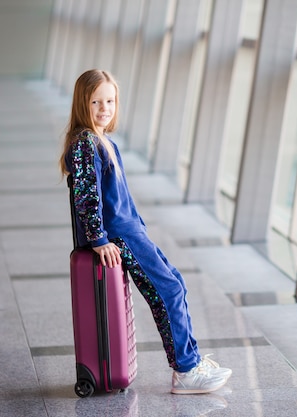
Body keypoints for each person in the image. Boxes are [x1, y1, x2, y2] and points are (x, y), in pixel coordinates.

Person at [59, 69, 231, 394]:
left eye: (109, 100)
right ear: (82, 104)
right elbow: (87, 195)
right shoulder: (86, 144)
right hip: (120, 237)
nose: (104, 108)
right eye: (95, 102)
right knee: (168, 292)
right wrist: (98, 240)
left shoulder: (102, 141)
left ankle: (190, 358)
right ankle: (186, 369)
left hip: (132, 231)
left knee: (175, 284)